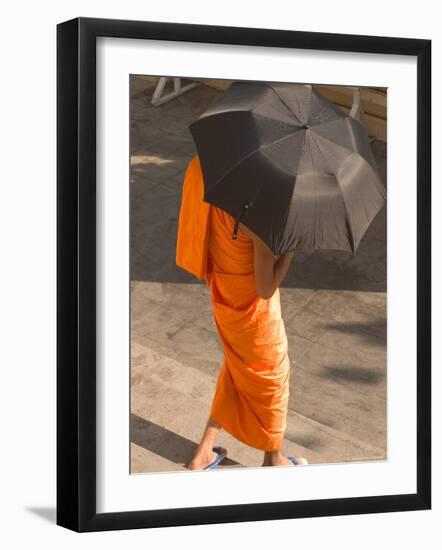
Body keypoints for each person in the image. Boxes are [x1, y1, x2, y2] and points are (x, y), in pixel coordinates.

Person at [176, 154, 308, 470]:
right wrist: (289, 249)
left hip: (223, 296)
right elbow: (265, 288)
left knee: (236, 370)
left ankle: (204, 453)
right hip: (254, 313)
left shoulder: (207, 176)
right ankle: (274, 460)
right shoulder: (256, 221)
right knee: (273, 378)